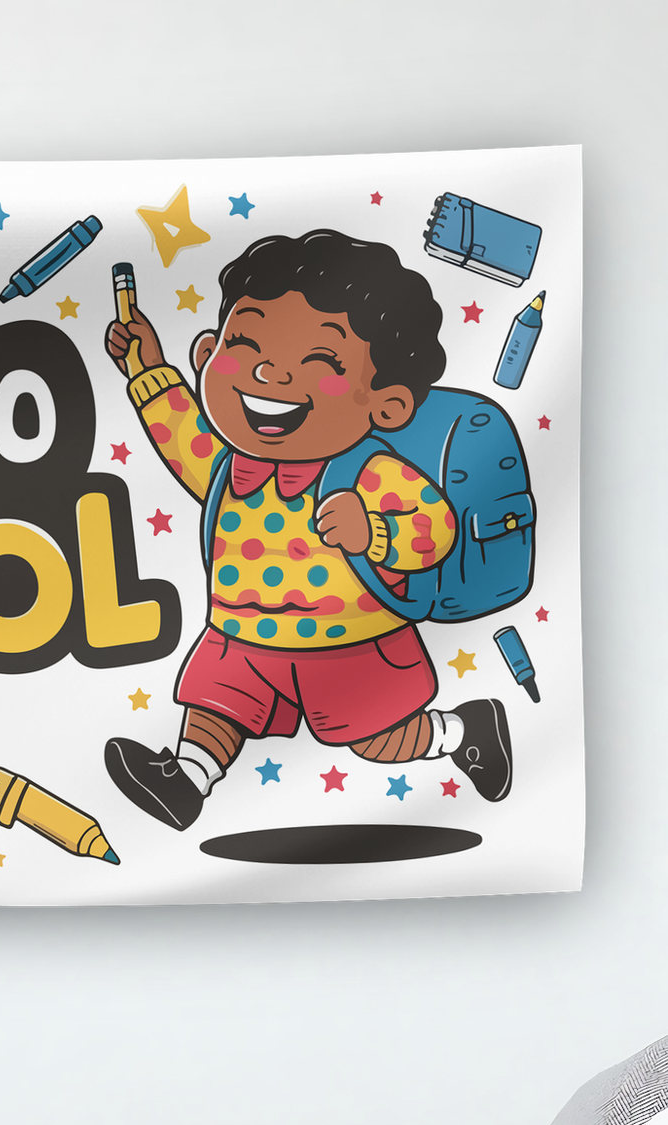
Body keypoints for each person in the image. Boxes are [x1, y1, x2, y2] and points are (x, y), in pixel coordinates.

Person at [103, 229, 511, 829]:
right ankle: (186, 780)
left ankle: (461, 731)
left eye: (317, 363)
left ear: (389, 406)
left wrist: (373, 531)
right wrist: (145, 365)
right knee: (214, 708)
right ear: (208, 354)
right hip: (241, 636)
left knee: (378, 739)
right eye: (245, 346)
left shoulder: (367, 469)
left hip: (351, 644)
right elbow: (178, 428)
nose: (269, 371)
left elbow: (434, 528)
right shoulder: (228, 468)